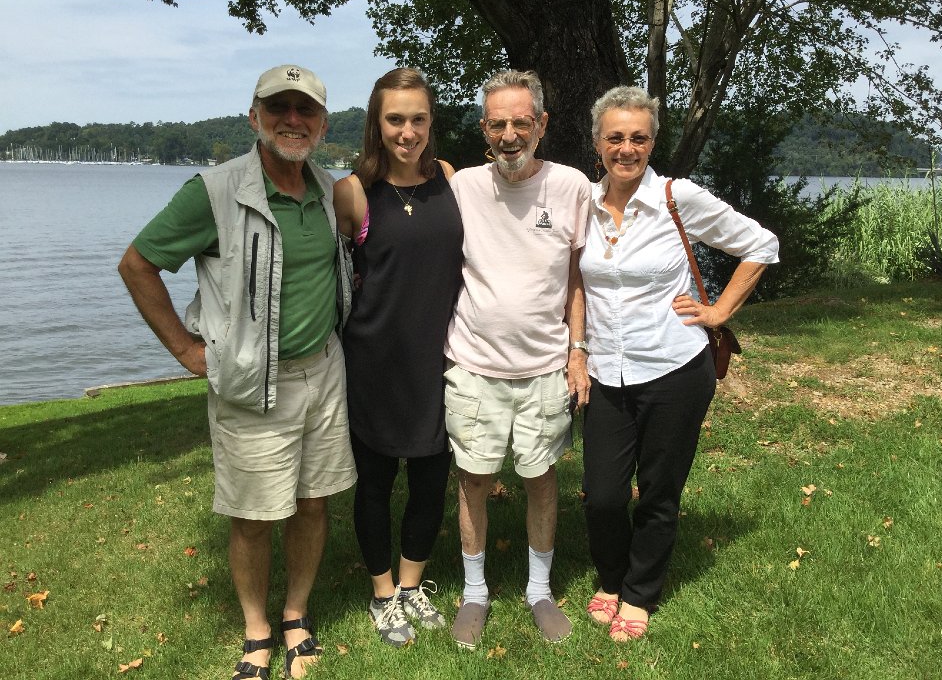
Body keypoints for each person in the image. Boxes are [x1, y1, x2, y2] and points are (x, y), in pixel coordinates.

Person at [118, 65, 357, 680]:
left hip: (324, 371)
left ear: (323, 125)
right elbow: (138, 264)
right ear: (255, 117)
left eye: (305, 110)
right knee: (252, 516)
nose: (292, 120)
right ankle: (256, 630)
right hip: (253, 381)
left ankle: (296, 614)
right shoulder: (214, 191)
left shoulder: (327, 189)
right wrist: (186, 350)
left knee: (312, 503)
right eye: (278, 108)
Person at [579, 86, 779, 641]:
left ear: (652, 142)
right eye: (615, 137)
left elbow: (761, 244)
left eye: (638, 138)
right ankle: (611, 575)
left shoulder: (676, 197)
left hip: (674, 367)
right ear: (597, 143)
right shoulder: (583, 203)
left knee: (659, 491)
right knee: (603, 494)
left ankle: (637, 593)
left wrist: (718, 312)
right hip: (606, 371)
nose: (626, 148)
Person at [443, 69, 592, 649]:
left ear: (542, 124)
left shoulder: (571, 186)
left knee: (540, 480)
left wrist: (577, 351)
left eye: (521, 123)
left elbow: (578, 277)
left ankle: (539, 589)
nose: (509, 135)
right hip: (474, 365)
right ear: (484, 128)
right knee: (473, 481)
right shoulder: (464, 187)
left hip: (545, 367)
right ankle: (474, 592)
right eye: (497, 124)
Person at [332, 68, 463, 647]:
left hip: (440, 359)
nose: (407, 132)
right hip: (374, 363)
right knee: (376, 484)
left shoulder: (449, 179)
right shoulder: (353, 192)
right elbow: (333, 275)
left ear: (431, 123)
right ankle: (382, 594)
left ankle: (412, 586)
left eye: (417, 119)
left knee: (432, 480)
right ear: (376, 124)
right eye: (394, 119)